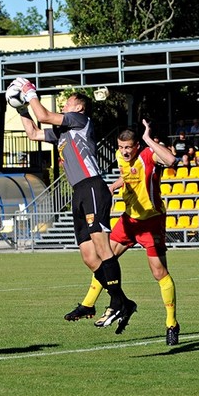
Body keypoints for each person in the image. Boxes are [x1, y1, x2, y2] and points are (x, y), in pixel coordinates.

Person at [12, 77, 137, 334]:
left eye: (68, 102)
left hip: (92, 187)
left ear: (78, 108)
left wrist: (29, 91)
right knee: (89, 257)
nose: (64, 104)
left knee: (102, 248)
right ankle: (124, 302)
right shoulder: (63, 132)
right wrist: (21, 108)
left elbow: (44, 115)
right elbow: (34, 132)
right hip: (78, 192)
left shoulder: (80, 121)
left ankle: (116, 302)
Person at [65, 120, 180, 345]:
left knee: (159, 273)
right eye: (121, 147)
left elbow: (171, 160)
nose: (124, 152)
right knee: (103, 259)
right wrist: (114, 186)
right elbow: (129, 177)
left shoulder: (148, 156)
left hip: (151, 221)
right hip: (128, 220)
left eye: (128, 147)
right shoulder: (120, 158)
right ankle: (89, 303)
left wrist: (148, 139)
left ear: (137, 145)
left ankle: (171, 323)